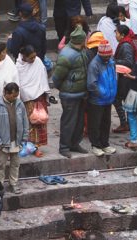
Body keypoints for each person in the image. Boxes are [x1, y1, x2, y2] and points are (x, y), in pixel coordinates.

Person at [52, 25, 89, 158]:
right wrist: (65, 88)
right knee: (69, 121)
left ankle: (75, 143)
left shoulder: (82, 51)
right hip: (69, 94)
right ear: (81, 40)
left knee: (79, 121)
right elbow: (56, 77)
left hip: (81, 93)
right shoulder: (66, 55)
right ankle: (64, 147)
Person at [0, 83, 28, 194]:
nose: (15, 98)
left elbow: (25, 121)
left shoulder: (19, 104)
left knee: (15, 163)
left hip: (16, 140)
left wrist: (24, 137)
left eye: (16, 95)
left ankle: (13, 184)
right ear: (6, 93)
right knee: (0, 165)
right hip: (3, 142)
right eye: (13, 95)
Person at [16, 45, 49, 156]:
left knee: (40, 123)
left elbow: (43, 76)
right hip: (27, 99)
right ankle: (30, 146)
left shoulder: (38, 61)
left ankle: (37, 147)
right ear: (24, 57)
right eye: (31, 58)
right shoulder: (18, 67)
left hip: (39, 96)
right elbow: (20, 84)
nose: (34, 59)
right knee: (29, 124)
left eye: (34, 57)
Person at [86, 40, 117, 157]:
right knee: (95, 123)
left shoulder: (111, 62)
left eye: (109, 56)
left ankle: (105, 144)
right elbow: (91, 84)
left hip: (108, 99)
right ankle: (96, 145)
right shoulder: (94, 65)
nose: (108, 58)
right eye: (106, 56)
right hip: (97, 100)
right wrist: (102, 93)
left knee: (106, 122)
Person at [113, 25, 137, 135]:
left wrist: (114, 61)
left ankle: (125, 123)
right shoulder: (125, 43)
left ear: (122, 35)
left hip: (126, 78)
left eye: (116, 33)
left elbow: (128, 62)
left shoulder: (126, 46)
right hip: (125, 77)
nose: (115, 35)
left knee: (118, 99)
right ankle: (126, 123)